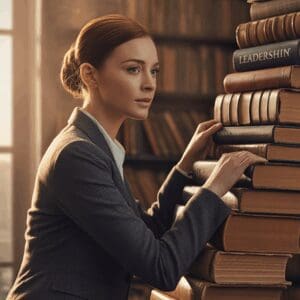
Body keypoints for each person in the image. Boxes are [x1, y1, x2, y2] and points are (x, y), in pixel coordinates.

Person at [7, 14, 266, 300]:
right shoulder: (77, 154)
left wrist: (184, 165)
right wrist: (214, 189)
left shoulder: (95, 146)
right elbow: (160, 267)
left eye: (153, 71)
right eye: (133, 69)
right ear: (89, 75)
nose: (149, 84)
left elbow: (147, 234)